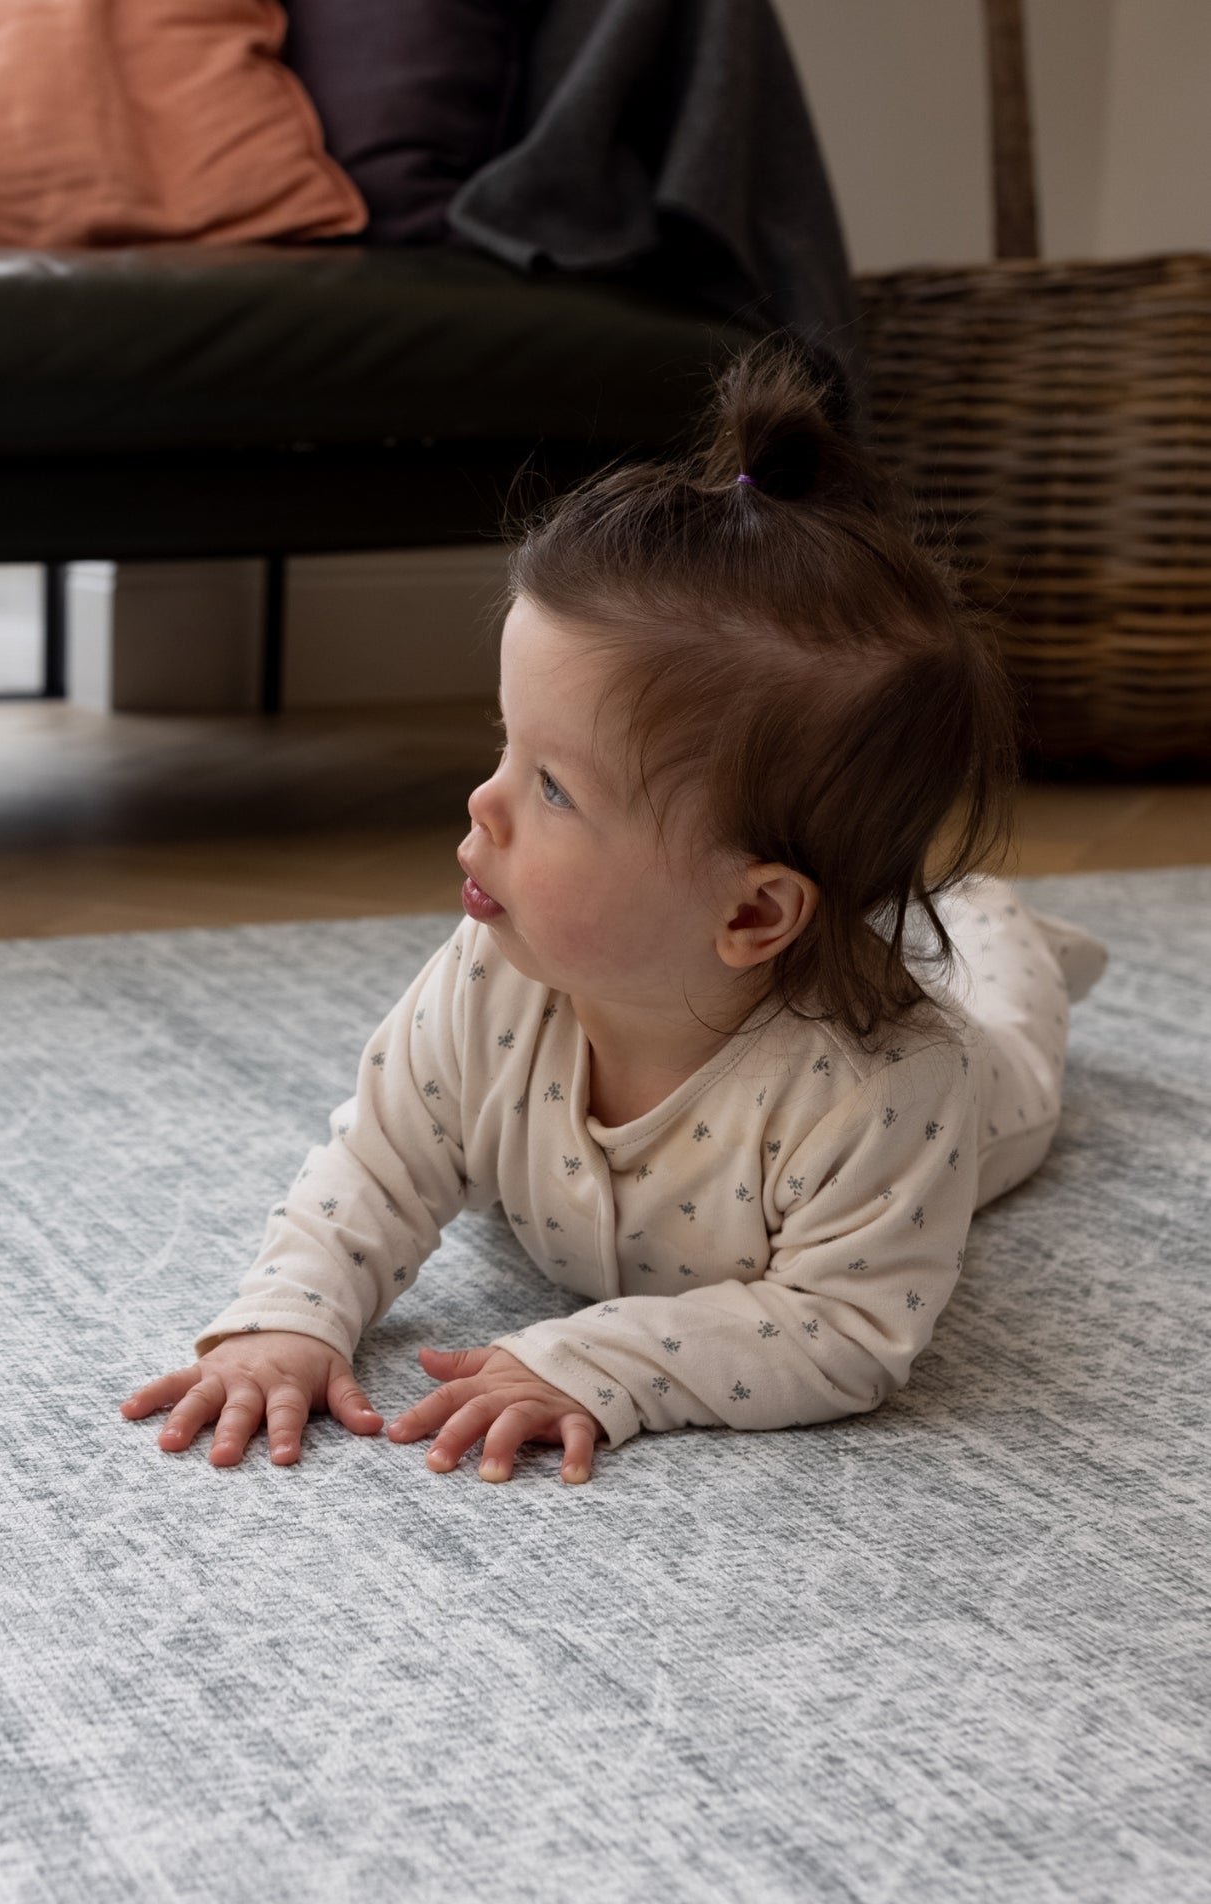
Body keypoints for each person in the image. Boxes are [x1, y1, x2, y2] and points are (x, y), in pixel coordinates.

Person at [120, 341, 1108, 1485]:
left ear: (754, 912)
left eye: (552, 787)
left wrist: (599, 1358)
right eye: (506, 742)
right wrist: (290, 1314)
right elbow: (382, 1160)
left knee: (1010, 1033)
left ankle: (995, 927)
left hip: (973, 1094)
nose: (483, 800)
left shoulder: (890, 1081)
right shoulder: (494, 970)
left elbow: (844, 1327)